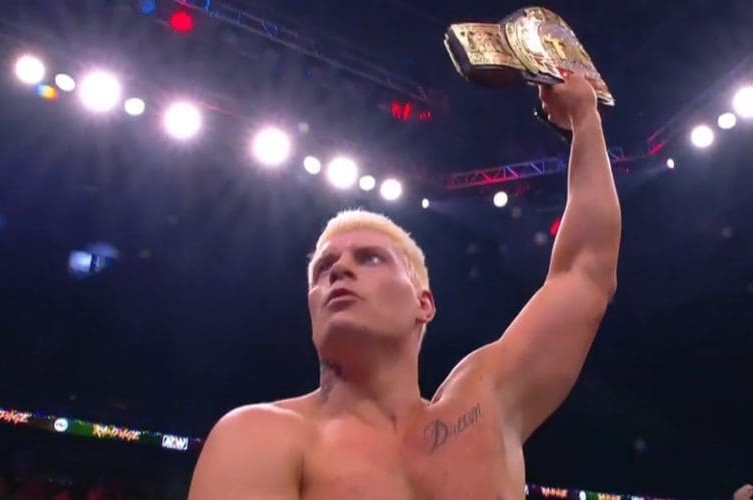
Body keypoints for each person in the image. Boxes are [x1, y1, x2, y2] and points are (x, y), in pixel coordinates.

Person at [188, 72, 621, 499]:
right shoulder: (261, 435)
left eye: (370, 258)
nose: (338, 271)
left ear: (424, 303)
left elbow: (584, 272)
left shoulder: (484, 409)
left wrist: (585, 119)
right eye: (323, 269)